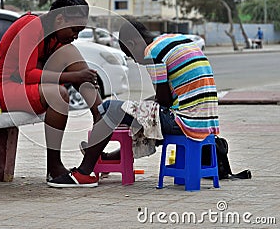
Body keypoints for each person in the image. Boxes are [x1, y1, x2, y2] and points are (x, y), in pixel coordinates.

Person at [0, 0, 104, 187]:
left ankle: (100, 114)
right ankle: (54, 168)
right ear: (59, 20)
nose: (75, 36)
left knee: (70, 51)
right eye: (75, 30)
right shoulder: (32, 25)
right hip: (3, 90)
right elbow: (27, 74)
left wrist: (81, 76)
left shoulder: (54, 36)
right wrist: (73, 77)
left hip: (23, 87)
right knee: (58, 94)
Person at [76, 18, 220, 170]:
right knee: (145, 119)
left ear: (132, 45)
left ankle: (87, 164)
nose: (137, 63)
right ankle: (107, 157)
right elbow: (167, 98)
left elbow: (164, 102)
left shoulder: (152, 52)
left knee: (109, 107)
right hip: (207, 122)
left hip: (185, 122)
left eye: (132, 57)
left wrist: (133, 111)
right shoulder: (177, 39)